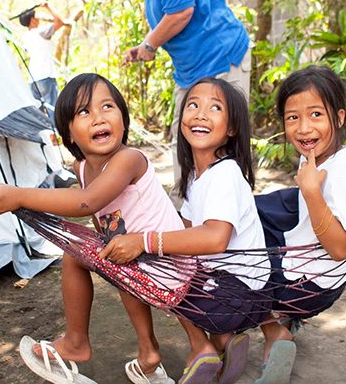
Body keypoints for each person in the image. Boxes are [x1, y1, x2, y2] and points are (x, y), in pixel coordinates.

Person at [0, 73, 183, 384]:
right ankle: (148, 352)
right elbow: (99, 217)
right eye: (84, 112)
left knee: (76, 254)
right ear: (69, 135)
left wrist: (18, 195)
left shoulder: (129, 159)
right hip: (139, 261)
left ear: (124, 120)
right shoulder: (84, 168)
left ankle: (76, 343)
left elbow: (87, 202)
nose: (98, 117)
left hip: (168, 263)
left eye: (107, 107)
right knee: (106, 252)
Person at [100, 78, 272, 384]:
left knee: (145, 266)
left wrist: (144, 240)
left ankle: (202, 348)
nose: (201, 114)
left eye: (215, 108)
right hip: (235, 291)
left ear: (231, 129)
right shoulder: (198, 175)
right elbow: (185, 230)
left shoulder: (225, 174)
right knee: (164, 257)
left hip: (236, 296)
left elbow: (214, 238)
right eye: (193, 105)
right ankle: (222, 339)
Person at [102, 0, 252, 208]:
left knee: (225, 140)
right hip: (191, 70)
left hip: (220, 60)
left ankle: (227, 213)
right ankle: (186, 210)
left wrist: (150, 45)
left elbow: (181, 11)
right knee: (183, 138)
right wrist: (145, 47)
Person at [253, 65, 346, 384]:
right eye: (293, 117)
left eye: (316, 114)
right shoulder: (322, 154)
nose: (303, 128)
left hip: (313, 282)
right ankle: (282, 322)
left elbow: (339, 248)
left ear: (340, 117)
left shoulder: (343, 173)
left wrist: (312, 191)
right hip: (306, 243)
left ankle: (275, 330)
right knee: (247, 211)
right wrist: (307, 191)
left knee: (229, 262)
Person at [19, 2, 65, 121]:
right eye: (36, 16)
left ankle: (44, 137)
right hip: (46, 76)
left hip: (33, 79)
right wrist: (48, 7)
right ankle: (56, 138)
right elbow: (60, 22)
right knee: (53, 110)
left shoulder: (25, 37)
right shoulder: (41, 32)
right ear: (32, 20)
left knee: (38, 115)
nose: (38, 19)